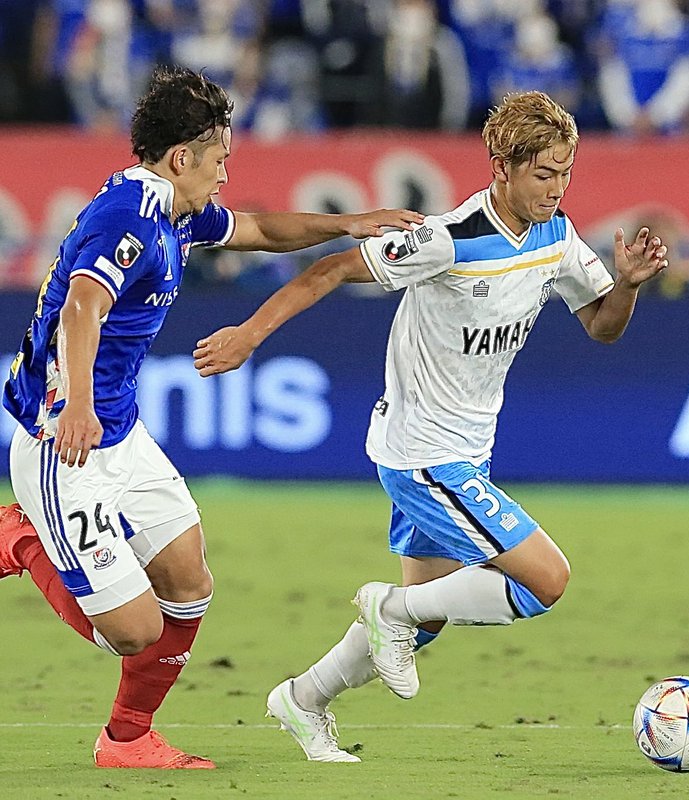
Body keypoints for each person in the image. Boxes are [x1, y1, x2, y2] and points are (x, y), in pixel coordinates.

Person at [191, 90, 669, 763]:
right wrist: (248, 334)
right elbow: (330, 270)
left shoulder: (556, 237)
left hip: (467, 452)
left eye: (565, 173)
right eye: (543, 174)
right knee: (545, 580)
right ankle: (387, 609)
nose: (557, 188)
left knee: (429, 615)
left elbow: (601, 326)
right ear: (501, 167)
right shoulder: (448, 238)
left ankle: (303, 699)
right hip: (422, 454)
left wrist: (628, 286)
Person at [0, 65, 422, 769]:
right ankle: (17, 536)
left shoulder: (174, 210)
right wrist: (76, 403)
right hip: (64, 443)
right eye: (220, 159)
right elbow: (81, 305)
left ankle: (127, 741)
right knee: (131, 632)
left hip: (120, 433)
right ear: (181, 157)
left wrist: (348, 224)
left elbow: (258, 228)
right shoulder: (131, 215)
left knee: (189, 584)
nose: (226, 174)